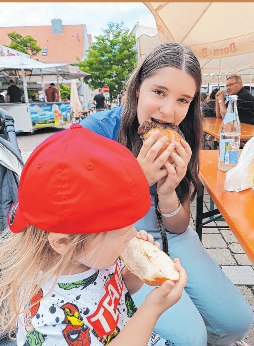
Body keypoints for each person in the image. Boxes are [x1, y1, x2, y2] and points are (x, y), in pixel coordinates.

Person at [80, 42, 253, 346]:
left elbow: (178, 225)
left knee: (238, 322)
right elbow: (74, 218)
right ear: (137, 88)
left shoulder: (183, 136)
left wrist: (168, 192)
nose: (169, 111)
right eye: (159, 92)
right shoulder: (96, 132)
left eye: (183, 100)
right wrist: (136, 181)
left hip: (169, 235)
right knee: (191, 338)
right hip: (114, 238)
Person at [0, 124, 187, 346]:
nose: (134, 235)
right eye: (122, 231)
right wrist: (152, 309)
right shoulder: (50, 319)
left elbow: (119, 290)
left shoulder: (90, 255)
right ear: (63, 242)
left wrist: (137, 272)